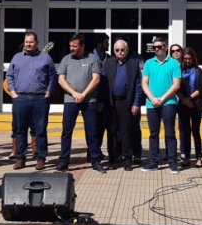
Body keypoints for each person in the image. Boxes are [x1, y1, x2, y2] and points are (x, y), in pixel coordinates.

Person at [6, 32, 57, 170]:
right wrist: (13, 92)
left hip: (40, 99)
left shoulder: (46, 58)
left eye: (31, 42)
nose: (28, 44)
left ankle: (41, 158)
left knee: (40, 130)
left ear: (37, 42)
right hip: (20, 98)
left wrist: (49, 92)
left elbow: (53, 77)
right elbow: (9, 75)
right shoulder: (17, 57)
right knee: (20, 130)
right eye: (26, 42)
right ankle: (20, 158)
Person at [57, 33, 105, 173]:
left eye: (74, 46)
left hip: (89, 100)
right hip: (70, 100)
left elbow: (96, 79)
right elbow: (61, 80)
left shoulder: (92, 59)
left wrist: (83, 94)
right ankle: (64, 161)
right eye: (70, 46)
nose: (71, 48)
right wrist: (74, 93)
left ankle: (95, 160)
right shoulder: (66, 59)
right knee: (66, 131)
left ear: (82, 46)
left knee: (92, 131)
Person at [141, 37, 181, 173]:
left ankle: (172, 162)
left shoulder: (174, 63)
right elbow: (144, 83)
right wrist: (152, 99)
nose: (157, 49)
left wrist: (162, 98)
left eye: (159, 47)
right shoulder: (148, 63)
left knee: (170, 133)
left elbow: (176, 85)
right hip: (151, 103)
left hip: (168, 103)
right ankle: (154, 161)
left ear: (165, 47)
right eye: (154, 47)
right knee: (153, 134)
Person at [104, 39, 143, 171]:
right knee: (112, 131)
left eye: (122, 50)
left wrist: (136, 103)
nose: (120, 52)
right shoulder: (108, 63)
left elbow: (138, 86)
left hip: (127, 102)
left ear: (127, 50)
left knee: (127, 131)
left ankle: (127, 159)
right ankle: (113, 158)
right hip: (111, 103)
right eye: (117, 50)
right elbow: (103, 83)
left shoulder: (134, 63)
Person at [177, 47, 202, 168]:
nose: (187, 61)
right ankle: (187, 157)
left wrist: (190, 99)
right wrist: (185, 100)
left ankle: (199, 157)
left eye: (189, 59)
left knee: (195, 131)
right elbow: (176, 87)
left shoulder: (198, 71)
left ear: (193, 59)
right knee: (185, 132)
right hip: (183, 104)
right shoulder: (179, 71)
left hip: (195, 104)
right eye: (185, 58)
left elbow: (200, 89)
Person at [93, 33, 112, 162]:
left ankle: (98, 151)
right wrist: (98, 101)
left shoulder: (109, 58)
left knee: (104, 127)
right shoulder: (90, 57)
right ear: (100, 44)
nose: (108, 44)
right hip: (93, 99)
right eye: (106, 42)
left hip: (107, 99)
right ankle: (93, 152)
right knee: (94, 128)